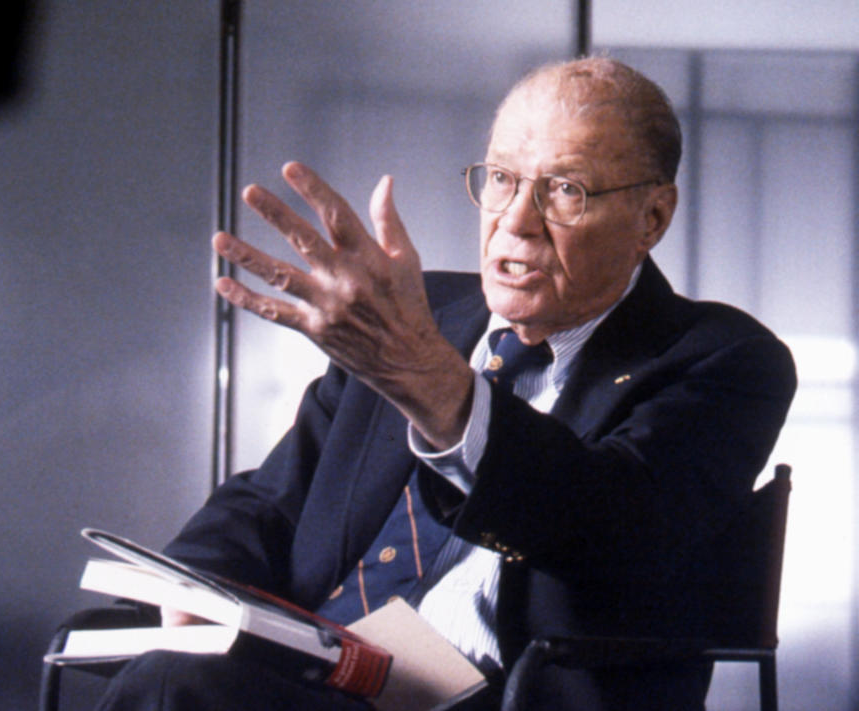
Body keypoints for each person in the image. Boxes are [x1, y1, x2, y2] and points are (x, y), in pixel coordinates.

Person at [96, 57, 796, 711]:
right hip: (314, 671)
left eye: (565, 190)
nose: (516, 221)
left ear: (652, 217)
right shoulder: (423, 312)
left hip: (507, 690)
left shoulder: (723, 359)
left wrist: (427, 376)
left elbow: (611, 524)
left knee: (173, 685)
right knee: (139, 653)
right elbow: (274, 500)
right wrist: (195, 585)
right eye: (500, 178)